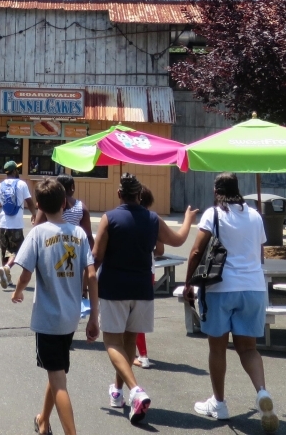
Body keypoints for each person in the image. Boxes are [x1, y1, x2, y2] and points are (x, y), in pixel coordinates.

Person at [93, 173, 197, 424]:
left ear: (119, 194)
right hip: (142, 288)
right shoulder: (152, 219)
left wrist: (85, 284)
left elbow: (96, 255)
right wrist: (187, 219)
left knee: (111, 342)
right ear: (140, 195)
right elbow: (179, 238)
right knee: (129, 341)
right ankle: (117, 392)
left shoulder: (110, 218)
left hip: (113, 287)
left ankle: (135, 390)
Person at [184, 173, 278, 432]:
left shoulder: (213, 215)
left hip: (221, 288)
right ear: (238, 190)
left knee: (218, 348)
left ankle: (220, 403)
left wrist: (189, 282)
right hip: (254, 288)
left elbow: (195, 251)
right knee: (248, 349)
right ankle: (261, 393)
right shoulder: (255, 216)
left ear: (217, 191)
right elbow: (259, 255)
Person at [12, 178, 100, 435]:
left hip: (48, 319)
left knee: (59, 381)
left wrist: (18, 291)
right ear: (64, 202)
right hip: (71, 317)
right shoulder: (79, 234)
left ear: (38, 205)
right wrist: (94, 316)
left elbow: (25, 273)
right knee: (57, 370)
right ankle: (43, 420)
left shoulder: (38, 234)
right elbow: (92, 275)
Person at [0, 160, 36, 288]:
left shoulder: (0, 185)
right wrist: (34, 215)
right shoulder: (21, 184)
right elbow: (30, 202)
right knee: (18, 251)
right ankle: (7, 268)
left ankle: (7, 278)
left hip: (3, 224)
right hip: (16, 225)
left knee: (5, 252)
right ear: (15, 171)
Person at [131, 184, 162, 370]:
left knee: (130, 315)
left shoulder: (125, 218)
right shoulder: (153, 220)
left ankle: (142, 355)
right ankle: (140, 352)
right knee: (139, 313)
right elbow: (160, 250)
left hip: (129, 270)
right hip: (148, 269)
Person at [33, 174, 93, 245]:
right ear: (72, 187)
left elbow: (36, 228)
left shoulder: (48, 203)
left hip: (50, 244)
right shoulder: (81, 207)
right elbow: (88, 236)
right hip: (74, 247)